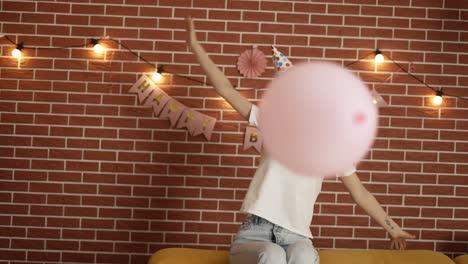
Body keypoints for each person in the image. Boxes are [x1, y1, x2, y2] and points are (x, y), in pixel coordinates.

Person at [184, 17, 415, 264]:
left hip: (296, 236)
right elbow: (226, 90)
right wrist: (196, 47)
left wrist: (392, 228)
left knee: (303, 256)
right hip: (255, 234)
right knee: (271, 255)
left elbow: (361, 193)